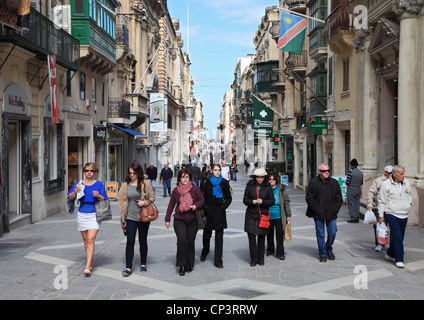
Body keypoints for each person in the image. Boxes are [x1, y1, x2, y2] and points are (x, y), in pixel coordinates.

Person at [68, 162, 108, 277]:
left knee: (91, 239)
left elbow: (104, 199)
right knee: (86, 241)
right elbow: (70, 197)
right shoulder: (79, 183)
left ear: (95, 172)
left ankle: (87, 266)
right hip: (82, 214)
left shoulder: (99, 184)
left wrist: (98, 196)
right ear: (84, 172)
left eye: (91, 171)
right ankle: (91, 261)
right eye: (86, 170)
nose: (89, 172)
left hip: (94, 214)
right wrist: (75, 192)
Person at [165, 168, 205, 276]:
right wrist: (167, 219)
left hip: (192, 220)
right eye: (183, 177)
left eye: (187, 177)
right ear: (179, 178)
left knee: (190, 241)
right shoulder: (175, 191)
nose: (185, 179)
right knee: (182, 240)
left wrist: (196, 206)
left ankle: (189, 264)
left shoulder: (195, 189)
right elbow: (170, 206)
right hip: (179, 220)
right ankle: (181, 265)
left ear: (190, 178)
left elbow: (202, 200)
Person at [118, 161, 155, 276]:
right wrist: (122, 219)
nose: (132, 175)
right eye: (130, 173)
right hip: (130, 216)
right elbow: (122, 201)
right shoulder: (125, 185)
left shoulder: (145, 183)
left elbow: (152, 198)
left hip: (143, 216)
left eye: (134, 173)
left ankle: (143, 263)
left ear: (138, 173)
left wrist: (144, 202)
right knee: (130, 241)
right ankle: (128, 267)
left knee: (142, 241)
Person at [306, 163, 343, 262]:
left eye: (328, 170)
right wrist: (316, 209)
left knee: (332, 232)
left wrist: (334, 209)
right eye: (324, 171)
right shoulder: (313, 183)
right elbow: (309, 198)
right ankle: (322, 253)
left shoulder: (334, 183)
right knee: (320, 234)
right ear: (319, 172)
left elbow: (339, 199)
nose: (326, 172)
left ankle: (328, 248)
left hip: (331, 213)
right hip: (318, 213)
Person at [378, 165, 412, 268]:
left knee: (400, 237)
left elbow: (409, 195)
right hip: (392, 213)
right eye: (401, 174)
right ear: (394, 174)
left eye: (403, 173)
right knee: (397, 236)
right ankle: (399, 259)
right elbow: (381, 200)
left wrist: (409, 204)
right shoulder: (386, 184)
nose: (403, 176)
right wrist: (381, 215)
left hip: (404, 214)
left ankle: (390, 253)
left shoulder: (407, 182)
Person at [201, 164, 232, 268]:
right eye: (215, 170)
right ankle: (205, 250)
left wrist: (223, 207)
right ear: (212, 171)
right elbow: (202, 196)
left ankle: (218, 260)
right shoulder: (206, 182)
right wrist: (205, 207)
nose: (217, 172)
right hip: (209, 212)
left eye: (219, 170)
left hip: (219, 212)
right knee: (206, 235)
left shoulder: (224, 182)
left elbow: (229, 198)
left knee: (219, 238)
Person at [243, 167, 275, 267]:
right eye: (258, 177)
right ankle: (253, 259)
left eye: (261, 177)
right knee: (251, 238)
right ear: (255, 177)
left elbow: (272, 201)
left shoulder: (268, 187)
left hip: (263, 215)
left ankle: (261, 259)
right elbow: (245, 200)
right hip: (251, 215)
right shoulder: (250, 186)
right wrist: (252, 201)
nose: (259, 179)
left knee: (261, 238)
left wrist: (263, 202)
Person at [366, 165, 393, 252]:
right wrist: (369, 203)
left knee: (393, 227)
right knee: (379, 226)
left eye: (392, 173)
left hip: (391, 208)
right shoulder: (378, 181)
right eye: (389, 173)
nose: (391, 175)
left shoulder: (394, 182)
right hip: (380, 207)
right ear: (385, 172)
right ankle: (379, 244)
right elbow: (371, 192)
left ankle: (392, 245)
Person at [266, 172, 291, 260]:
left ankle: (280, 253)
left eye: (273, 179)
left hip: (279, 216)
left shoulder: (282, 190)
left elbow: (286, 202)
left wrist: (288, 215)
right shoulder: (266, 189)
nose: (271, 181)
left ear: (276, 180)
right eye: (270, 179)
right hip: (268, 216)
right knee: (269, 234)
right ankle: (270, 250)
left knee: (279, 235)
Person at [346, 158, 364, 223]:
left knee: (351, 203)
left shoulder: (350, 173)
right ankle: (357, 216)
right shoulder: (361, 173)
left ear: (351, 165)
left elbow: (347, 182)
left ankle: (353, 217)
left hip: (351, 188)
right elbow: (361, 182)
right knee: (357, 203)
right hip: (358, 189)